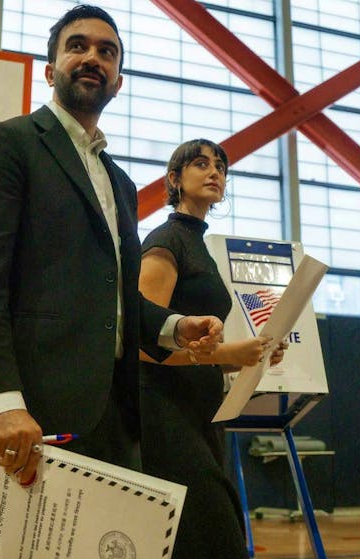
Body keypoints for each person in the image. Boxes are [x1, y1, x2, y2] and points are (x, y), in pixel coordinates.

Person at [0, 5, 223, 487]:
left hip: (110, 420)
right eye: (77, 46)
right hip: (25, 416)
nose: (93, 57)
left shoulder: (120, 183)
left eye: (107, 52)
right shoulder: (7, 145)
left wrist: (178, 327)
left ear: (118, 81)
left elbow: (114, 301)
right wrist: (3, 402)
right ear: (50, 69)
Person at [137, 138, 287, 558]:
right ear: (174, 179)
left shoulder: (200, 245)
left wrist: (251, 356)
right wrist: (230, 354)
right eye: (201, 163)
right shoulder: (167, 239)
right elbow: (144, 344)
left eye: (220, 166)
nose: (214, 171)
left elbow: (198, 356)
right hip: (166, 414)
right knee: (215, 537)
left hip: (202, 413)